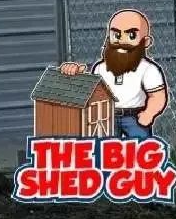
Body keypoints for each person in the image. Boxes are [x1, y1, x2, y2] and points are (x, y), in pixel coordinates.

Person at [59, 8, 168, 139]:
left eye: (131, 35)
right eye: (116, 35)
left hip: (135, 118)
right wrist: (76, 75)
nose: (121, 42)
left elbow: (157, 96)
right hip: (106, 116)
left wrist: (149, 114)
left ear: (145, 42)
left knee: (141, 150)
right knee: (104, 151)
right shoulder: (100, 68)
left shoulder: (148, 69)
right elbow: (93, 92)